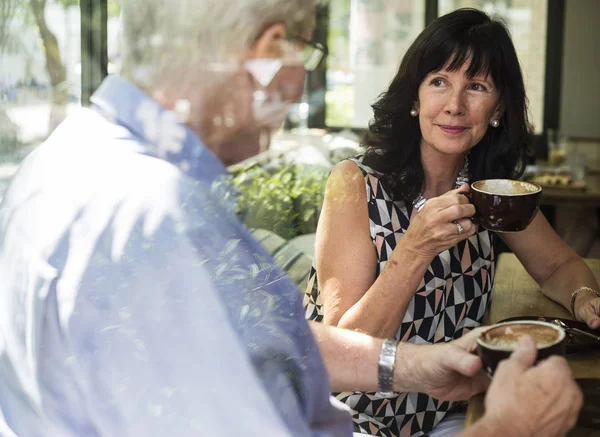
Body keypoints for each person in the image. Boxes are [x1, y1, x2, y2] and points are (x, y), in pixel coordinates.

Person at [0, 2, 582, 436]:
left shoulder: (67, 161)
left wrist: (416, 366)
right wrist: (507, 431)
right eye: (306, 55)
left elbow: (267, 344)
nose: (303, 85)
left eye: (476, 87)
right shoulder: (153, 220)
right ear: (268, 51)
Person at [304, 8, 596, 437]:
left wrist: (585, 298)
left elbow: (557, 267)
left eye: (476, 87)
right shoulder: (354, 183)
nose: (455, 106)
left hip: (445, 413)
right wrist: (415, 246)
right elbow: (345, 355)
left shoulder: (491, 193)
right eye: (439, 81)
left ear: (498, 107)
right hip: (354, 418)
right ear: (415, 97)